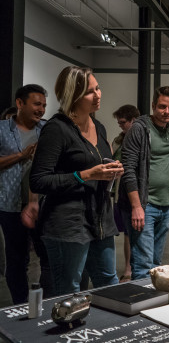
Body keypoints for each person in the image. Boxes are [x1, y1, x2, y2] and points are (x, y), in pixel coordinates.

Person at [30, 67, 124, 295]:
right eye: (90, 92)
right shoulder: (57, 128)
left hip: (100, 219)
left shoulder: (98, 126)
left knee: (108, 282)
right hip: (68, 224)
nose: (98, 95)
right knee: (69, 289)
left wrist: (111, 170)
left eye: (98, 88)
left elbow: (97, 164)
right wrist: (87, 174)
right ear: (73, 94)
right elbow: (39, 180)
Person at [119, 86, 169, 280]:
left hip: (164, 206)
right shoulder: (139, 129)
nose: (166, 112)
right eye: (162, 106)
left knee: (155, 265)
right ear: (153, 106)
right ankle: (139, 305)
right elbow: (128, 169)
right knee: (143, 265)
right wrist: (136, 206)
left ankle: (152, 303)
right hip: (145, 205)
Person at [0, 84, 51, 303]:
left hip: (42, 205)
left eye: (44, 106)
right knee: (16, 259)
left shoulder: (47, 130)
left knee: (46, 257)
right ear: (20, 103)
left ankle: (46, 302)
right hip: (9, 205)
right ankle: (20, 304)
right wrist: (22, 155)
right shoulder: (2, 129)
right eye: (37, 104)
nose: (41, 110)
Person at [111, 104, 140, 282]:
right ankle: (128, 268)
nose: (120, 125)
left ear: (133, 120)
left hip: (135, 190)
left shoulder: (141, 138)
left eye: (123, 122)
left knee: (133, 233)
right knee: (126, 233)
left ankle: (135, 269)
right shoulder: (118, 140)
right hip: (120, 191)